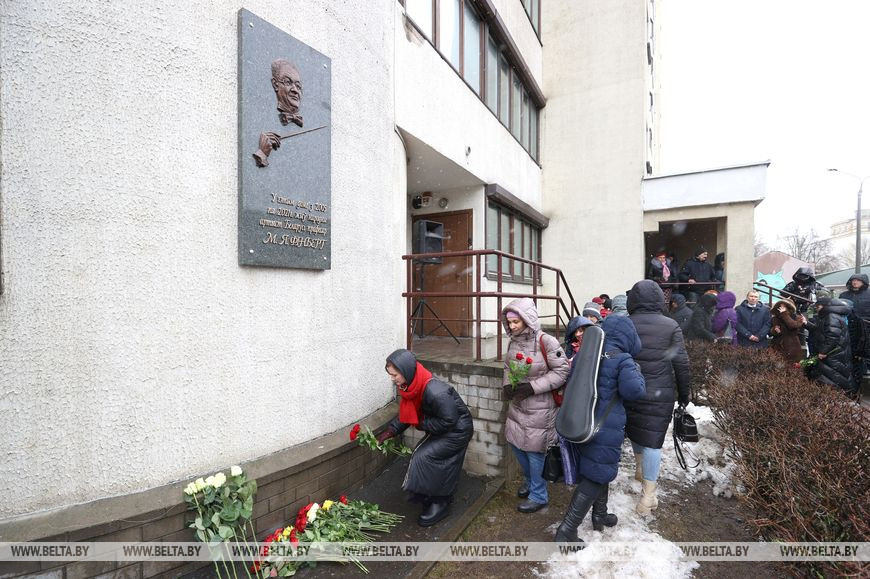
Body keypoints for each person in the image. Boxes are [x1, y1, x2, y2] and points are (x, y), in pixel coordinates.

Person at [554, 316, 646, 543]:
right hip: (606, 427)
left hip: (585, 422)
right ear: (628, 336)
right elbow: (635, 391)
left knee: (598, 469)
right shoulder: (623, 359)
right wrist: (638, 373)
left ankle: (600, 514)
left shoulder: (587, 353)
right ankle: (567, 530)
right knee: (596, 476)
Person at [377, 349, 474, 527]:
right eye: (390, 375)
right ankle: (431, 495)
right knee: (422, 455)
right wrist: (391, 431)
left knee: (425, 456)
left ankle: (441, 501)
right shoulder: (411, 385)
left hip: (458, 430)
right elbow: (408, 414)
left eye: (394, 375)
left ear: (406, 371)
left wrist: (422, 423)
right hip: (445, 426)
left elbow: (449, 420)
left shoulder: (435, 391)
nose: (392, 379)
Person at [624, 280, 691, 515]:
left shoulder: (626, 323)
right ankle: (648, 496)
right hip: (659, 393)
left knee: (635, 428)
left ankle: (639, 468)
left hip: (631, 389)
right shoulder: (670, 325)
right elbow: (681, 362)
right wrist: (684, 394)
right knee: (653, 440)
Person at [501, 298, 570, 513]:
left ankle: (539, 495)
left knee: (534, 451)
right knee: (515, 443)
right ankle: (531, 481)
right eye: (509, 322)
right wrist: (507, 385)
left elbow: (562, 372)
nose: (512, 326)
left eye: (516, 321)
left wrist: (532, 388)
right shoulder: (513, 342)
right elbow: (508, 367)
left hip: (540, 405)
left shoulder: (546, 341)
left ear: (527, 319)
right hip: (518, 403)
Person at [805, 298, 855, 396]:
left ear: (823, 306)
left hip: (832, 354)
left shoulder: (830, 316)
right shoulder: (831, 316)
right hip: (835, 353)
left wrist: (823, 351)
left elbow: (833, 336)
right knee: (835, 377)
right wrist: (806, 324)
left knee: (832, 378)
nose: (816, 309)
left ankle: (834, 398)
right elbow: (820, 330)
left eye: (817, 306)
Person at [838, 274, 870, 382]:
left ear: (863, 282)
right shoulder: (843, 295)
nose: (855, 282)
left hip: (866, 326)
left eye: (858, 280)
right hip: (848, 326)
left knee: (865, 348)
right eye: (853, 280)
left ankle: (866, 369)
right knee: (849, 347)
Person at [769, 298, 806, 363]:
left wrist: (784, 314)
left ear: (789, 307)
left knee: (792, 365)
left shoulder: (797, 317)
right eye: (780, 306)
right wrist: (775, 330)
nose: (781, 308)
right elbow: (770, 332)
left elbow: (792, 326)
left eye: (784, 306)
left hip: (792, 346)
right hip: (777, 345)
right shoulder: (775, 318)